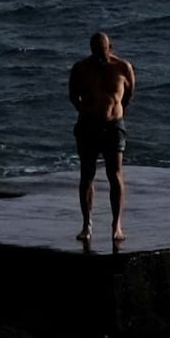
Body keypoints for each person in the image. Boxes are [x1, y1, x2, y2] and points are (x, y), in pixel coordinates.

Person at [68, 31, 136, 246]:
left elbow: (129, 96)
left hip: (113, 126)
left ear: (111, 47)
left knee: (114, 174)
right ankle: (86, 224)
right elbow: (73, 96)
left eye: (103, 50)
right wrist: (87, 113)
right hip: (88, 126)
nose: (100, 55)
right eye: (96, 51)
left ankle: (116, 224)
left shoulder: (123, 68)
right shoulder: (81, 68)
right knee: (86, 174)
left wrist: (115, 113)